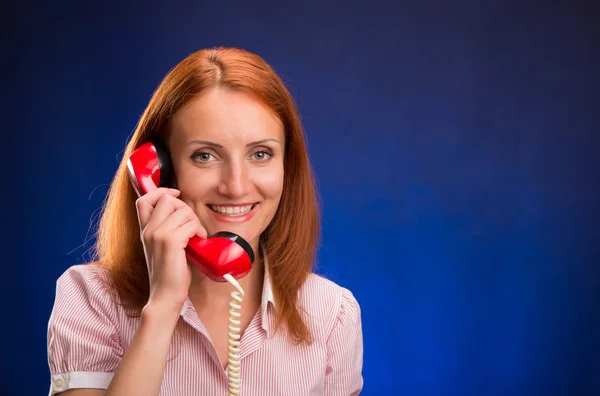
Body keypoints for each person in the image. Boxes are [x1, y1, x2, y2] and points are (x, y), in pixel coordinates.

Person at [47, 47, 364, 396]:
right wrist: (163, 305)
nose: (236, 186)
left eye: (260, 154)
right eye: (205, 156)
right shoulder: (92, 299)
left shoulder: (332, 314)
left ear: (286, 166)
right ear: (160, 170)